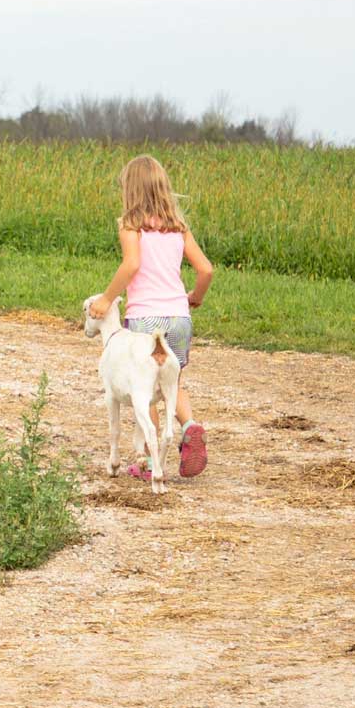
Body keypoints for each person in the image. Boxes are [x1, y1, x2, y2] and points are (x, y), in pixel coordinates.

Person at [89, 154, 216, 476]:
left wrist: (107, 299)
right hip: (178, 317)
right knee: (173, 382)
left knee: (145, 391)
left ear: (129, 189)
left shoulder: (130, 226)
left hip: (145, 320)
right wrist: (195, 298)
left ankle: (148, 461)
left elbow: (131, 265)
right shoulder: (178, 228)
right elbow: (205, 269)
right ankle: (189, 426)